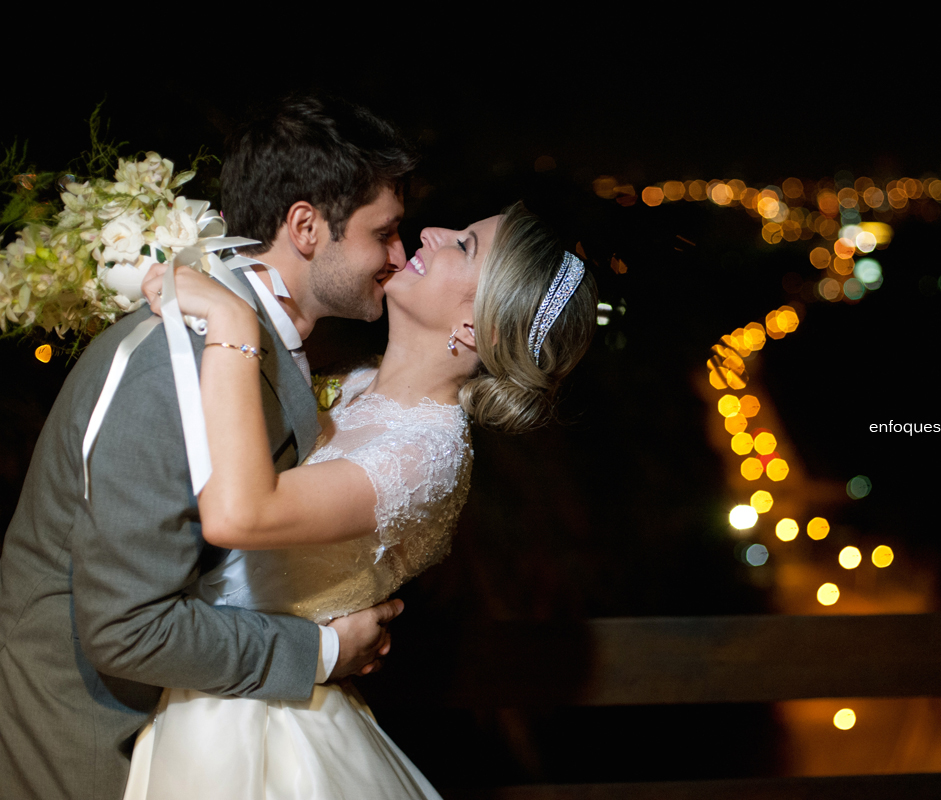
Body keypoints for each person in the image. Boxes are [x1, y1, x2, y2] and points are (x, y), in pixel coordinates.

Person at [0, 95, 417, 800]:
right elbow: (126, 628)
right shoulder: (177, 365)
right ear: (307, 227)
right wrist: (322, 650)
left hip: (191, 717)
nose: (400, 258)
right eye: (386, 233)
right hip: (97, 734)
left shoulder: (247, 339)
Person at [125, 202, 597, 799]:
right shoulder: (350, 383)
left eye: (465, 246)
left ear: (481, 329)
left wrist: (231, 321)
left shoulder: (425, 454)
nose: (433, 232)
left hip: (252, 723)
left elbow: (238, 514)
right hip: (202, 667)